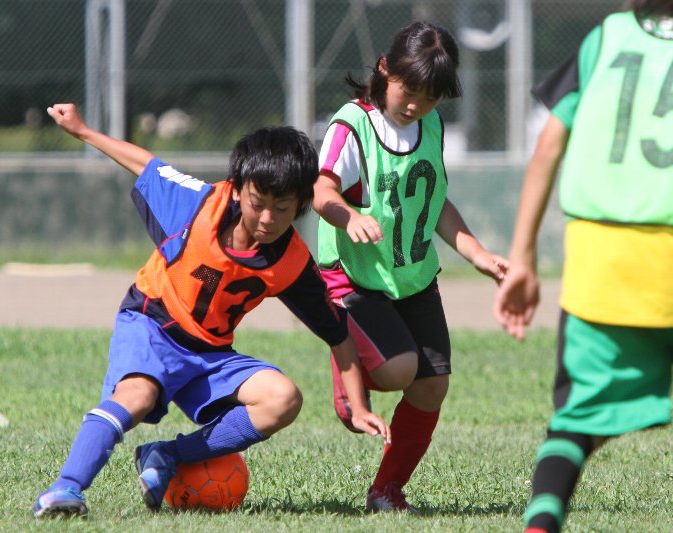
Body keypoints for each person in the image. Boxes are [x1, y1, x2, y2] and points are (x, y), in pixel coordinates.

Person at [33, 103, 391, 518]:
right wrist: (83, 131)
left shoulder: (291, 261)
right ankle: (64, 489)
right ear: (238, 189)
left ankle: (166, 455)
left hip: (209, 352)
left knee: (283, 399)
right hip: (152, 323)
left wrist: (358, 406)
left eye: (282, 208)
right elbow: (146, 164)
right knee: (137, 396)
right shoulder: (198, 206)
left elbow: (337, 332)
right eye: (258, 202)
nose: (267, 218)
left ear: (301, 205)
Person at [312, 21, 508, 513]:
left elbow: (436, 203)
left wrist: (478, 254)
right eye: (409, 90)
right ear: (385, 68)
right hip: (354, 275)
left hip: (412, 275)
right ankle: (347, 365)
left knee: (432, 384)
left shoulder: (431, 126)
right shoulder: (352, 125)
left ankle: (386, 490)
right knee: (399, 369)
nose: (417, 105)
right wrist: (349, 216)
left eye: (431, 97)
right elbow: (322, 191)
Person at [492, 1, 673, 531]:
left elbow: (548, 146)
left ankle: (541, 522)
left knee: (575, 423)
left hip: (601, 262)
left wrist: (523, 256)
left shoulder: (605, 38)